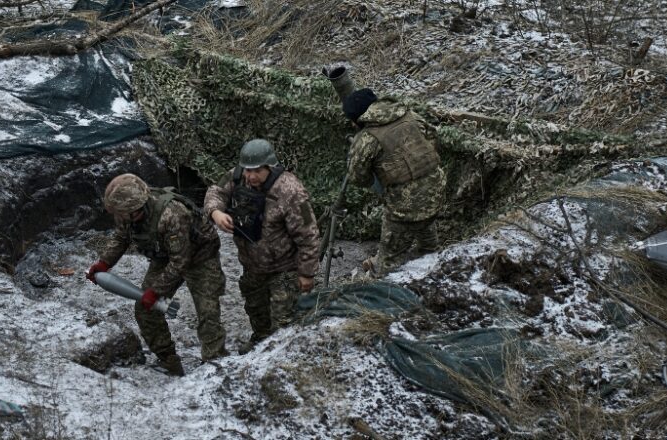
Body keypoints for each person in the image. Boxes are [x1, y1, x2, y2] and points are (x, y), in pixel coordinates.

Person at [85, 174, 228, 376]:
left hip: (200, 256)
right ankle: (169, 361)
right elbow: (121, 236)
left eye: (122, 214)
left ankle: (216, 363)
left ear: (135, 209)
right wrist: (103, 263)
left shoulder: (172, 215)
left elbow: (181, 261)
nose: (119, 217)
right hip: (165, 255)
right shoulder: (127, 212)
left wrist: (155, 291)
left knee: (207, 311)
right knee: (145, 309)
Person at [204, 139, 320, 353]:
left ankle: (280, 358)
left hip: (284, 269)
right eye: (247, 170)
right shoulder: (237, 177)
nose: (251, 176)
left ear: (270, 167)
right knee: (256, 310)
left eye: (257, 171)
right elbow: (215, 192)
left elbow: (308, 233)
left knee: (283, 323)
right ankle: (260, 342)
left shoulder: (290, 190)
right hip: (252, 265)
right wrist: (216, 212)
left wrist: (307, 273)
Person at [343, 88, 446, 276]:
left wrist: (381, 174)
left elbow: (357, 178)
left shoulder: (366, 138)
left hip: (404, 208)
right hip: (436, 189)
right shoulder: (409, 115)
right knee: (425, 221)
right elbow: (432, 137)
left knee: (389, 259)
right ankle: (430, 253)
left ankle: (387, 280)